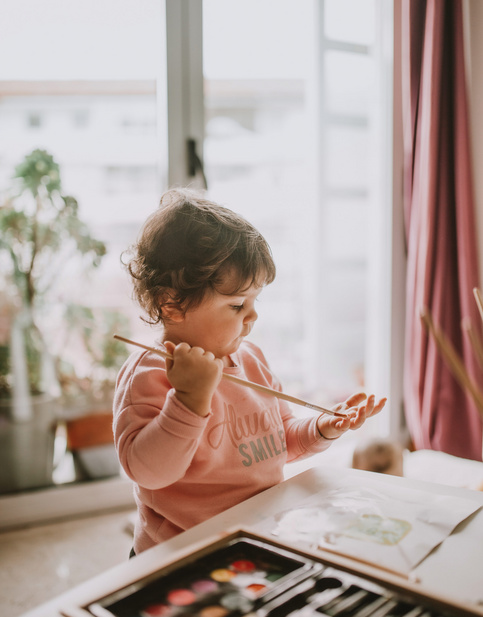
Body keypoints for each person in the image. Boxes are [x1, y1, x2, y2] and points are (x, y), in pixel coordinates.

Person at [113, 188, 386, 555]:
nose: (253, 316)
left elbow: (279, 442)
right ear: (172, 303)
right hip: (182, 553)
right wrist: (188, 401)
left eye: (255, 302)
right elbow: (148, 472)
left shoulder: (253, 360)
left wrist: (323, 428)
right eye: (237, 304)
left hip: (259, 536)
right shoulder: (151, 373)